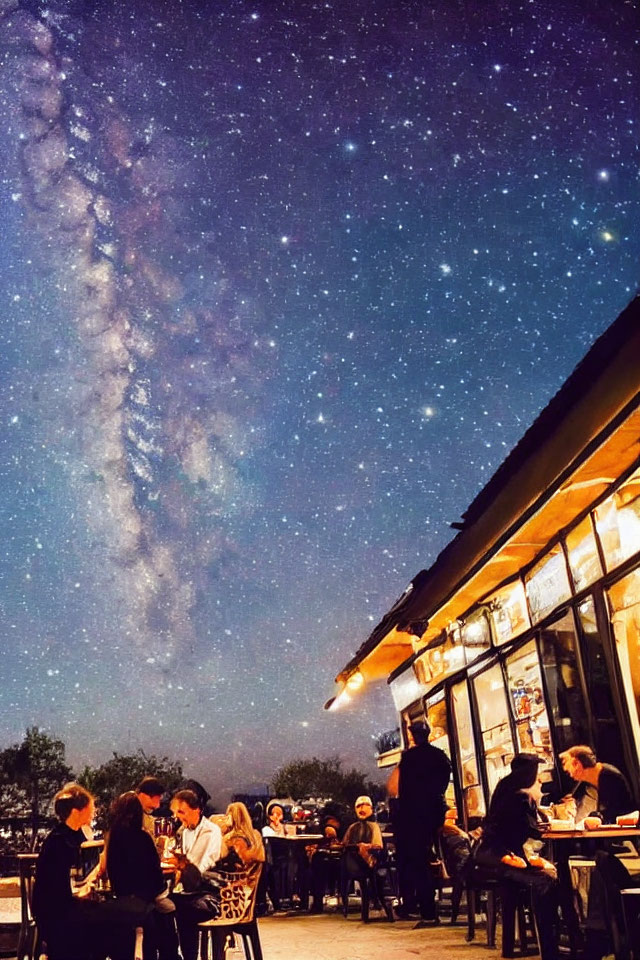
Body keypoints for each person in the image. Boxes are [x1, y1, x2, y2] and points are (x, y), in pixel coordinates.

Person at [473, 753, 559, 960]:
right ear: (528, 777)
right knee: (546, 882)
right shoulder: (518, 799)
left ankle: (550, 945)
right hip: (501, 860)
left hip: (495, 857)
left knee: (550, 876)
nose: (540, 782)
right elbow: (530, 833)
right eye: (538, 777)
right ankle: (550, 949)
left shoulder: (509, 792)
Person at [32, 783, 109, 960]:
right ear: (77, 811)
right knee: (109, 924)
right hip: (58, 916)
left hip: (57, 909)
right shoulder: (62, 842)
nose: (93, 811)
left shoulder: (67, 836)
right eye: (90, 807)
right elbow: (66, 886)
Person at [389, 719, 451, 923]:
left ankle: (425, 909)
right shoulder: (439, 756)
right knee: (426, 858)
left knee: (416, 862)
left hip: (412, 817)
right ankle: (425, 906)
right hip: (432, 815)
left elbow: (396, 787)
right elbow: (442, 785)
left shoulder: (408, 758)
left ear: (413, 735)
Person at [104, 792, 166, 960]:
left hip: (122, 898)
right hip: (143, 901)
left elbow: (112, 872)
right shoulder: (143, 838)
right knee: (163, 916)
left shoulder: (113, 839)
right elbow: (157, 877)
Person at [169, 789, 223, 960]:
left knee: (182, 909)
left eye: (181, 812)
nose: (178, 817)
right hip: (191, 892)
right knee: (163, 905)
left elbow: (205, 866)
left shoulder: (211, 831)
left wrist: (184, 865)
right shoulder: (183, 832)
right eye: (176, 813)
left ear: (197, 809)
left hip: (212, 895)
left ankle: (188, 957)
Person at [341, 796, 394, 923]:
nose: (362, 808)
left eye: (365, 805)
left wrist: (363, 848)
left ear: (371, 808)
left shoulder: (373, 826)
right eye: (358, 806)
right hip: (353, 862)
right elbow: (344, 844)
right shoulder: (353, 827)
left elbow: (378, 846)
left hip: (369, 863)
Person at [560, 745, 633, 825]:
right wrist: (570, 802)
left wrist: (595, 816)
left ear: (577, 764)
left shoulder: (609, 776)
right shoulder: (589, 778)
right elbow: (573, 796)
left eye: (568, 771)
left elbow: (614, 811)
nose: (570, 775)